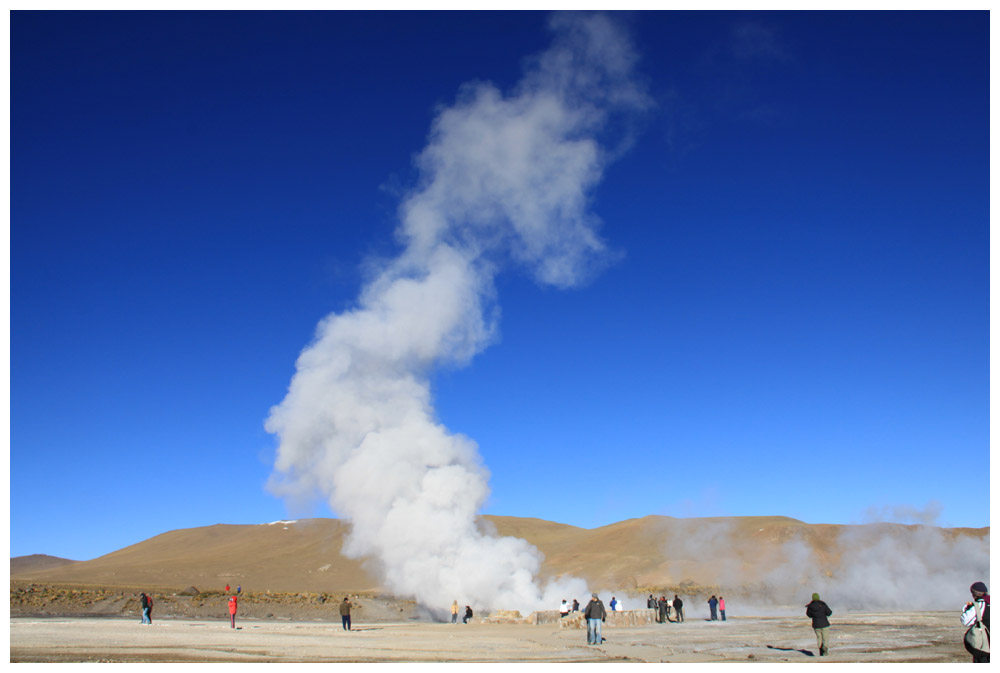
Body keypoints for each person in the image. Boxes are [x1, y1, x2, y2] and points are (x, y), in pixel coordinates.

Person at [961, 581, 990, 663]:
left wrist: (967, 608)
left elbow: (965, 621)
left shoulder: (978, 605)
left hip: (984, 645)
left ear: (974, 594)